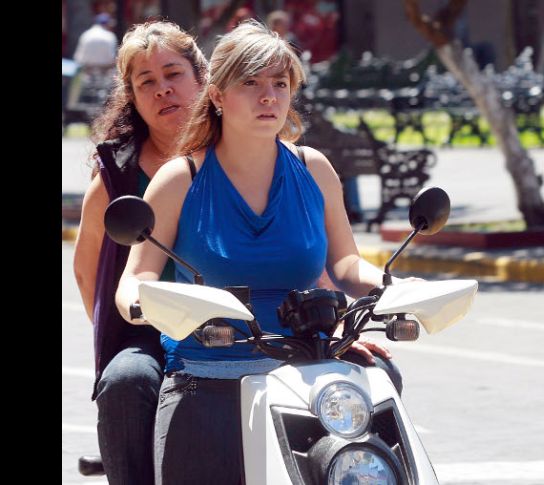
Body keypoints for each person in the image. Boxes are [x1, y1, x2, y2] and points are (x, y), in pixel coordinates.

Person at [113, 20, 402, 484]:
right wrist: (142, 300)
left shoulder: (315, 169)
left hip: (306, 372)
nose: (269, 96)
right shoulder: (179, 179)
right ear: (218, 95)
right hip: (206, 376)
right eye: (251, 82)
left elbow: (345, 263)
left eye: (279, 83)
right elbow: (136, 276)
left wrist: (392, 287)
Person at [73, 20, 208, 485]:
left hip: (245, 324)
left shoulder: (238, 153)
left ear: (201, 78)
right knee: (125, 380)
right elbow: (89, 270)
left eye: (174, 74)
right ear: (131, 96)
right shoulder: (116, 175)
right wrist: (125, 326)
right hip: (149, 331)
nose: (163, 90)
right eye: (146, 82)